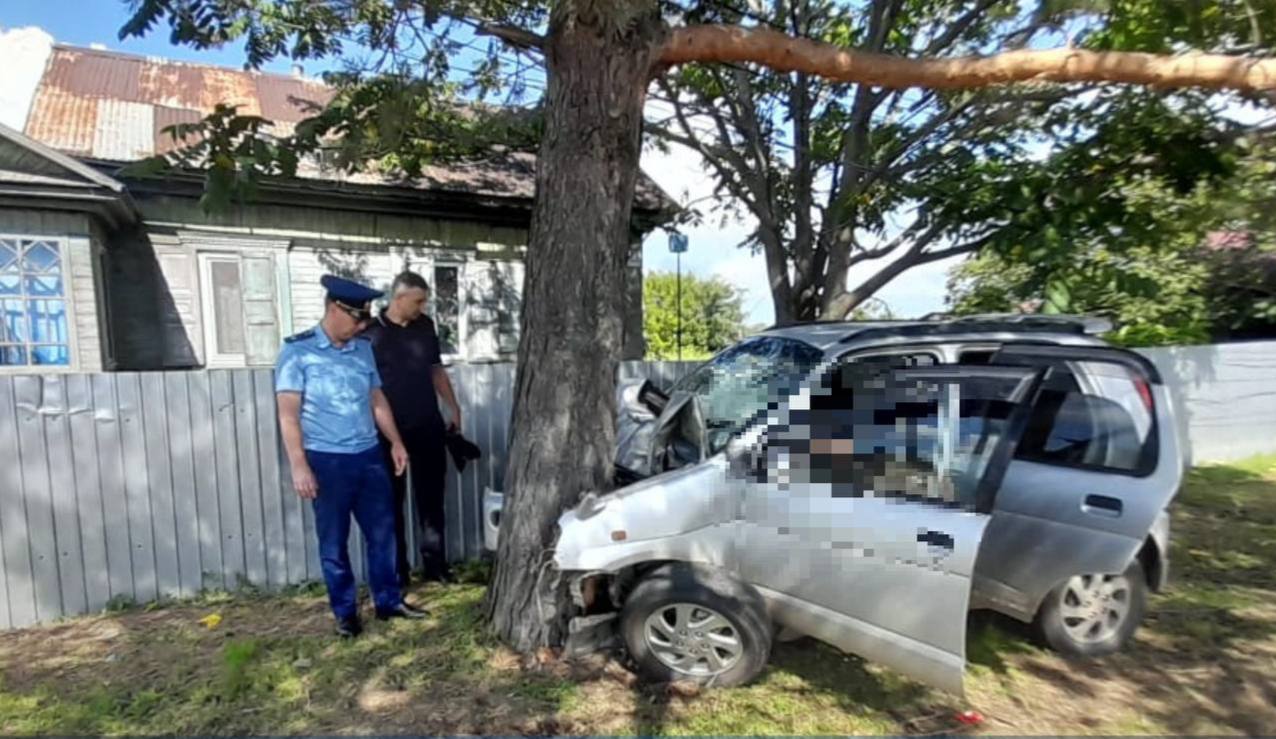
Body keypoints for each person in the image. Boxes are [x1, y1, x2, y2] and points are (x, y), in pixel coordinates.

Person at [274, 274, 428, 638]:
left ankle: (388, 602)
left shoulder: (362, 349)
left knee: (383, 534)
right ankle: (345, 613)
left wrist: (395, 442)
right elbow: (287, 413)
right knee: (334, 541)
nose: (361, 326)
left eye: (364, 320)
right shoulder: (298, 352)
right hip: (327, 461)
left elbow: (376, 399)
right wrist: (299, 464)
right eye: (356, 319)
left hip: (369, 456)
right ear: (333, 309)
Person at [364, 270, 463, 585]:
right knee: (390, 501)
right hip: (388, 432)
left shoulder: (425, 326)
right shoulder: (370, 333)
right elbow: (365, 387)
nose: (422, 306)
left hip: (427, 424)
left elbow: (436, 371)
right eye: (418, 301)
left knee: (431, 498)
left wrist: (454, 407)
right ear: (399, 297)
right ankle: (399, 571)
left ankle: (436, 566)